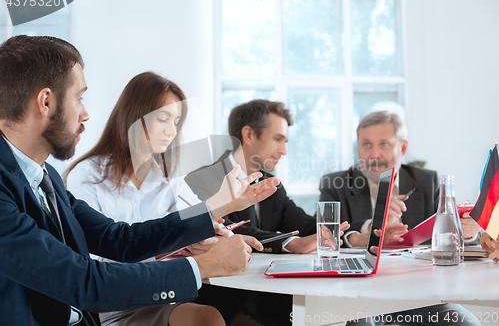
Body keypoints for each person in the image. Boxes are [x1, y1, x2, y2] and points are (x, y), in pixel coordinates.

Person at [0, 35, 279, 326]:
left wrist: (212, 211)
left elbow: (118, 239)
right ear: (46, 102)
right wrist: (200, 266)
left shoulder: (46, 178)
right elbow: (82, 281)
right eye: (79, 98)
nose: (86, 114)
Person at [64, 72, 234, 325]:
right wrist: (165, 251)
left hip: (165, 294)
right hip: (115, 302)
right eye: (163, 119)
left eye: (176, 121)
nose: (172, 130)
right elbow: (92, 262)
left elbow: (196, 225)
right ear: (135, 116)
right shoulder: (88, 176)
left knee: (215, 314)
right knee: (208, 318)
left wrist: (210, 238)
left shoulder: (168, 178)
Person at [185, 99, 349, 325]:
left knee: (338, 313)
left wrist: (353, 235)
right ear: (249, 134)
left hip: (272, 297)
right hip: (223, 305)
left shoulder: (272, 183)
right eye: (278, 139)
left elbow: (303, 222)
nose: (283, 150)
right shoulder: (200, 179)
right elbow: (228, 230)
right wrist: (290, 242)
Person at [319, 111, 479, 326]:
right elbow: (323, 233)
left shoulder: (426, 181)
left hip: (416, 293)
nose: (374, 154)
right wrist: (371, 227)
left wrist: (465, 233)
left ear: (402, 148)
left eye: (384, 144)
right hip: (357, 292)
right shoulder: (335, 183)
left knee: (465, 323)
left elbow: (445, 234)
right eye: (366, 145)